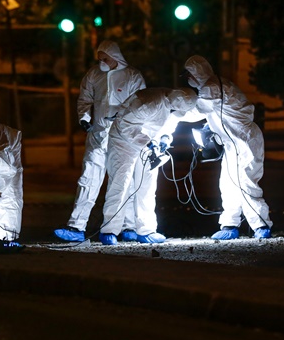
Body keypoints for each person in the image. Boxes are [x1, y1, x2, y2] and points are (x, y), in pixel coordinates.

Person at [54, 39, 146, 243]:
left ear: (115, 57)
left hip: (123, 136)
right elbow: (84, 100)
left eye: (105, 58)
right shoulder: (93, 75)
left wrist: (125, 119)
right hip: (98, 134)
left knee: (123, 181)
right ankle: (76, 226)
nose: (101, 62)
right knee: (88, 178)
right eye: (99, 59)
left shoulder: (133, 76)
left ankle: (127, 226)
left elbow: (141, 103)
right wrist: (84, 118)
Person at [181, 55, 273, 240]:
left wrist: (169, 113)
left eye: (190, 74)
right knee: (228, 184)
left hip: (245, 141)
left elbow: (197, 111)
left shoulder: (211, 87)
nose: (188, 78)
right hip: (233, 143)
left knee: (246, 183)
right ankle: (230, 224)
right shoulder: (215, 85)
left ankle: (261, 225)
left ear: (198, 72)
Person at [98, 87, 198, 245]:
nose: (178, 113)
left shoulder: (172, 106)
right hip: (123, 142)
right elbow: (126, 125)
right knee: (120, 184)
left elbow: (167, 125)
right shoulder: (150, 102)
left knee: (147, 186)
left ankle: (146, 230)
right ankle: (109, 230)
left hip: (148, 144)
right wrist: (148, 143)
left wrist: (165, 138)